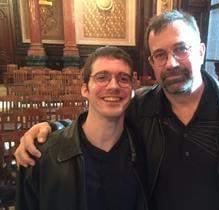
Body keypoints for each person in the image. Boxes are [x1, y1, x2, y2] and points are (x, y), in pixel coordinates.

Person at [15, 10, 219, 210]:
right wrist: (51, 130)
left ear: (200, 51)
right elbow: (99, 123)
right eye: (161, 55)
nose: (172, 63)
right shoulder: (141, 106)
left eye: (181, 49)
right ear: (152, 63)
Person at [16, 46, 148, 210]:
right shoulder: (41, 153)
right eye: (102, 77)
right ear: (85, 89)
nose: (114, 86)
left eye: (123, 79)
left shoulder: (146, 149)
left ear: (132, 91)